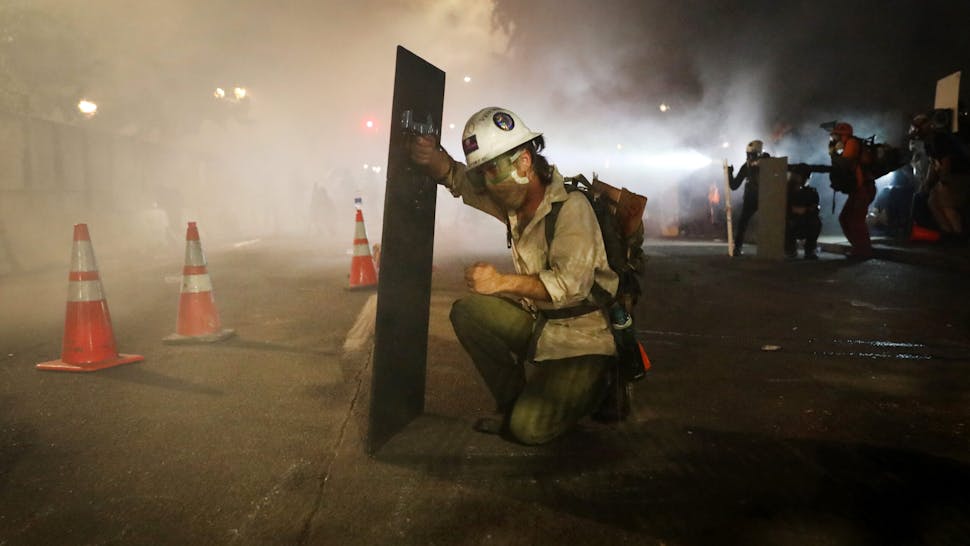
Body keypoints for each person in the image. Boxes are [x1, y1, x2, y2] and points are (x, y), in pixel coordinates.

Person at [409, 107, 618, 445]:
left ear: (524, 162)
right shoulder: (514, 203)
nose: (487, 182)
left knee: (529, 431)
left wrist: (500, 282)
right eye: (484, 173)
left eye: (492, 170)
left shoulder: (571, 208)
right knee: (467, 312)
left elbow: (570, 286)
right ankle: (515, 403)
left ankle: (599, 386)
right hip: (543, 327)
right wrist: (430, 156)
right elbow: (458, 178)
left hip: (583, 342)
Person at [829, 121, 875, 259]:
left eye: (836, 135)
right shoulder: (848, 143)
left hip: (864, 189)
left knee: (856, 220)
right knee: (845, 218)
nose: (833, 138)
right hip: (859, 189)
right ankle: (859, 248)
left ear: (842, 134)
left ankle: (864, 251)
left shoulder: (852, 143)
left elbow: (845, 163)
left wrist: (833, 154)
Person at [726, 140, 769, 256]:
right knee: (742, 223)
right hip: (750, 199)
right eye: (748, 155)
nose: (750, 157)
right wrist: (729, 174)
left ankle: (772, 248)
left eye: (753, 155)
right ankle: (737, 248)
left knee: (771, 223)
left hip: (767, 198)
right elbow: (734, 185)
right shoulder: (746, 167)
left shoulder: (768, 163)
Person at [784, 165, 822, 259]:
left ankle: (809, 250)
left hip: (805, 221)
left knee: (816, 223)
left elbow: (814, 208)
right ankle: (790, 248)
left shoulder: (811, 192)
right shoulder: (786, 191)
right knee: (786, 223)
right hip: (791, 221)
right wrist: (793, 210)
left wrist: (805, 210)